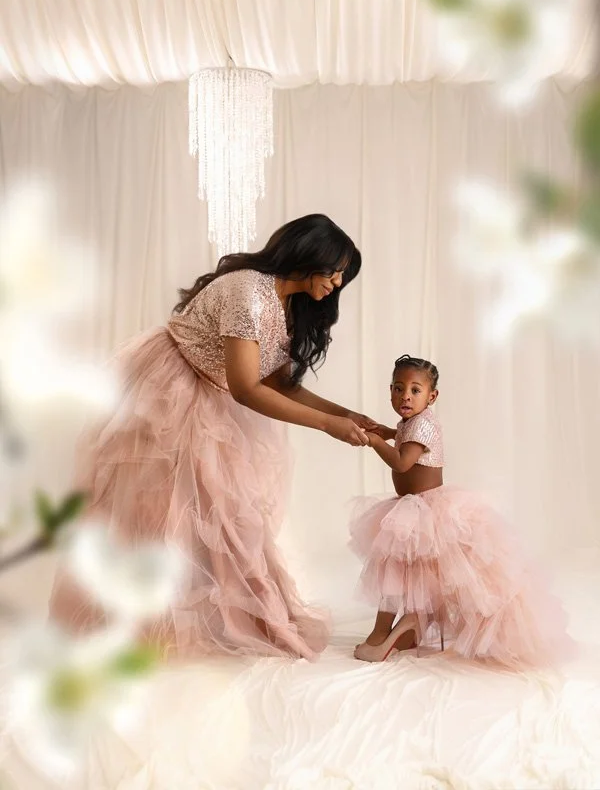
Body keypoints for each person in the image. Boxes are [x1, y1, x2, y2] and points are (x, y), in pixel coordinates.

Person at [49, 213, 376, 661]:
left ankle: (206, 616)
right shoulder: (248, 292)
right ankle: (135, 622)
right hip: (171, 388)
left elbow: (280, 384)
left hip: (213, 395)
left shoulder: (285, 304)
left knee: (221, 515)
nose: (338, 283)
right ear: (308, 255)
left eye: (344, 276)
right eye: (335, 270)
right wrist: (326, 425)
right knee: (160, 514)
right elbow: (245, 388)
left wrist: (347, 415)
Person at [349, 354, 572, 668]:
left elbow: (401, 461)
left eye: (415, 390)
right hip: (413, 508)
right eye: (398, 389)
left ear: (432, 396)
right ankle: (410, 623)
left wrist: (373, 441)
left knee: (429, 573)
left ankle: (382, 633)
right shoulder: (411, 422)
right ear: (389, 391)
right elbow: (402, 436)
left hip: (428, 510)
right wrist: (385, 430)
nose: (405, 396)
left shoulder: (423, 425)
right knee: (405, 571)